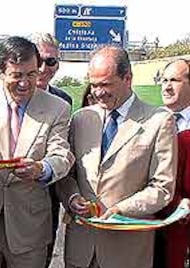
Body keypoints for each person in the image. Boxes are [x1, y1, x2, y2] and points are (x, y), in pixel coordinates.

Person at [0, 36, 74, 268]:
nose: (25, 83)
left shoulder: (57, 107)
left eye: (31, 74)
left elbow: (61, 155)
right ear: (1, 73)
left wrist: (42, 168)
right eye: (16, 75)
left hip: (28, 229)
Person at [56, 45, 177, 268]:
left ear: (128, 78)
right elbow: (66, 175)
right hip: (81, 249)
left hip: (127, 251)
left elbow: (162, 188)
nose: (98, 92)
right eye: (94, 85)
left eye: (106, 84)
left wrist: (121, 210)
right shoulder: (81, 118)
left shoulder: (159, 121)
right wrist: (72, 198)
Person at [30, 32, 73, 267]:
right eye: (40, 59)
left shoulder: (63, 101)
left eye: (52, 61)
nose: (45, 67)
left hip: (46, 201)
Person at [154, 59, 190, 268]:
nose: (166, 86)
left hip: (182, 232)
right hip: (147, 226)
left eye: (175, 80)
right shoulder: (148, 121)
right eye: (164, 80)